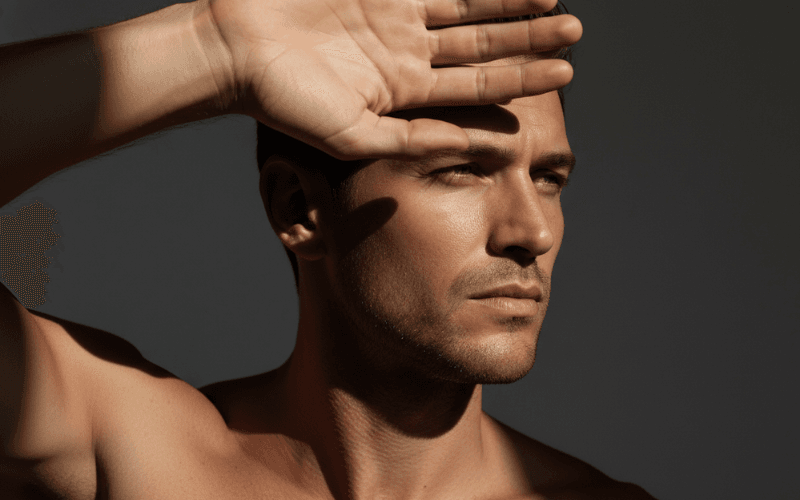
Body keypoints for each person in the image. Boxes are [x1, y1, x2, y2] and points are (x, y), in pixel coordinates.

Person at [0, 0, 657, 497]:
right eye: (461, 170)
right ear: (298, 208)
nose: (533, 232)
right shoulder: (150, 459)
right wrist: (217, 47)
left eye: (548, 179)